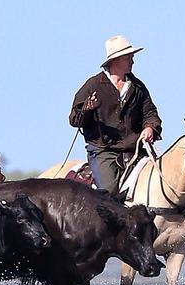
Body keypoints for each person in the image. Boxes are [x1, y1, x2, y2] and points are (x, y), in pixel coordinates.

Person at [69, 35, 163, 194]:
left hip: (136, 149)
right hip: (104, 150)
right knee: (109, 192)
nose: (133, 61)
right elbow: (74, 119)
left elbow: (150, 114)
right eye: (129, 58)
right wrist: (87, 109)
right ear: (115, 60)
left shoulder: (138, 87)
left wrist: (149, 128)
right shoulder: (93, 85)